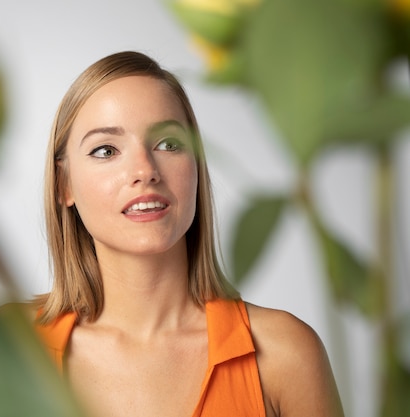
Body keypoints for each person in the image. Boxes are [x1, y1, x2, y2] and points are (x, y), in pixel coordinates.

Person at [33, 51, 344, 417]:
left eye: (168, 144)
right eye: (106, 150)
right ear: (63, 184)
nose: (145, 171)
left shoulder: (284, 355)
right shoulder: (11, 349)